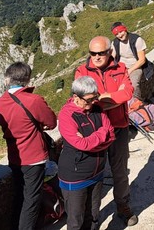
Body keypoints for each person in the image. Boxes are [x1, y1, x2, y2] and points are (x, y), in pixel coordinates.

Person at [74, 36, 138, 226]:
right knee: (94, 174)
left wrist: (101, 98)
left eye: (101, 53)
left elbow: (127, 93)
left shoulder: (121, 68)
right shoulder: (82, 71)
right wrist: (111, 98)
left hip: (118, 129)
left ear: (110, 52)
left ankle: (123, 206)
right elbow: (83, 100)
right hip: (95, 131)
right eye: (93, 53)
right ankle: (92, 216)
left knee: (120, 171)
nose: (97, 57)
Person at [0, 61, 57, 230]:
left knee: (20, 196)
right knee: (32, 199)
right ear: (27, 80)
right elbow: (51, 122)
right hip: (33, 158)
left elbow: (2, 123)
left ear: (8, 79)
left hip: (14, 156)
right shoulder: (33, 100)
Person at [58, 76, 115, 230]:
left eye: (94, 98)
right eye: (88, 100)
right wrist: (101, 134)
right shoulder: (66, 115)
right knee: (76, 221)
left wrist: (93, 140)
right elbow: (80, 144)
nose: (91, 104)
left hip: (97, 171)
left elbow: (111, 134)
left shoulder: (97, 107)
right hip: (75, 176)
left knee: (93, 215)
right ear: (75, 97)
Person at [109, 21, 151, 101]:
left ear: (125, 29)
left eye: (121, 32)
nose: (120, 35)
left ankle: (138, 103)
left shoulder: (136, 40)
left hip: (135, 66)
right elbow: (112, 57)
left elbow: (142, 60)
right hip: (121, 67)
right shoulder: (115, 42)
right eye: (117, 34)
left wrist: (129, 70)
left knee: (133, 85)